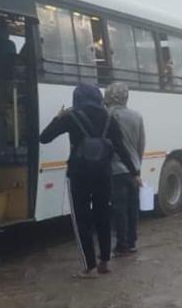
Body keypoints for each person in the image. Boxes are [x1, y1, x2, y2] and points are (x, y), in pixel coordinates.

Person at [40, 84, 141, 278]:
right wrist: (134, 171)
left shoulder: (71, 116)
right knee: (103, 216)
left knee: (82, 220)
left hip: (78, 175)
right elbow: (120, 148)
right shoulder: (108, 118)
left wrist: (58, 117)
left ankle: (89, 266)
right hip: (104, 174)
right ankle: (105, 261)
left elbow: (44, 138)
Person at [105, 83, 145, 256]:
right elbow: (141, 143)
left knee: (119, 208)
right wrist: (137, 166)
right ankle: (132, 242)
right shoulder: (136, 116)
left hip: (115, 169)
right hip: (133, 169)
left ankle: (121, 245)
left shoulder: (108, 115)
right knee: (132, 208)